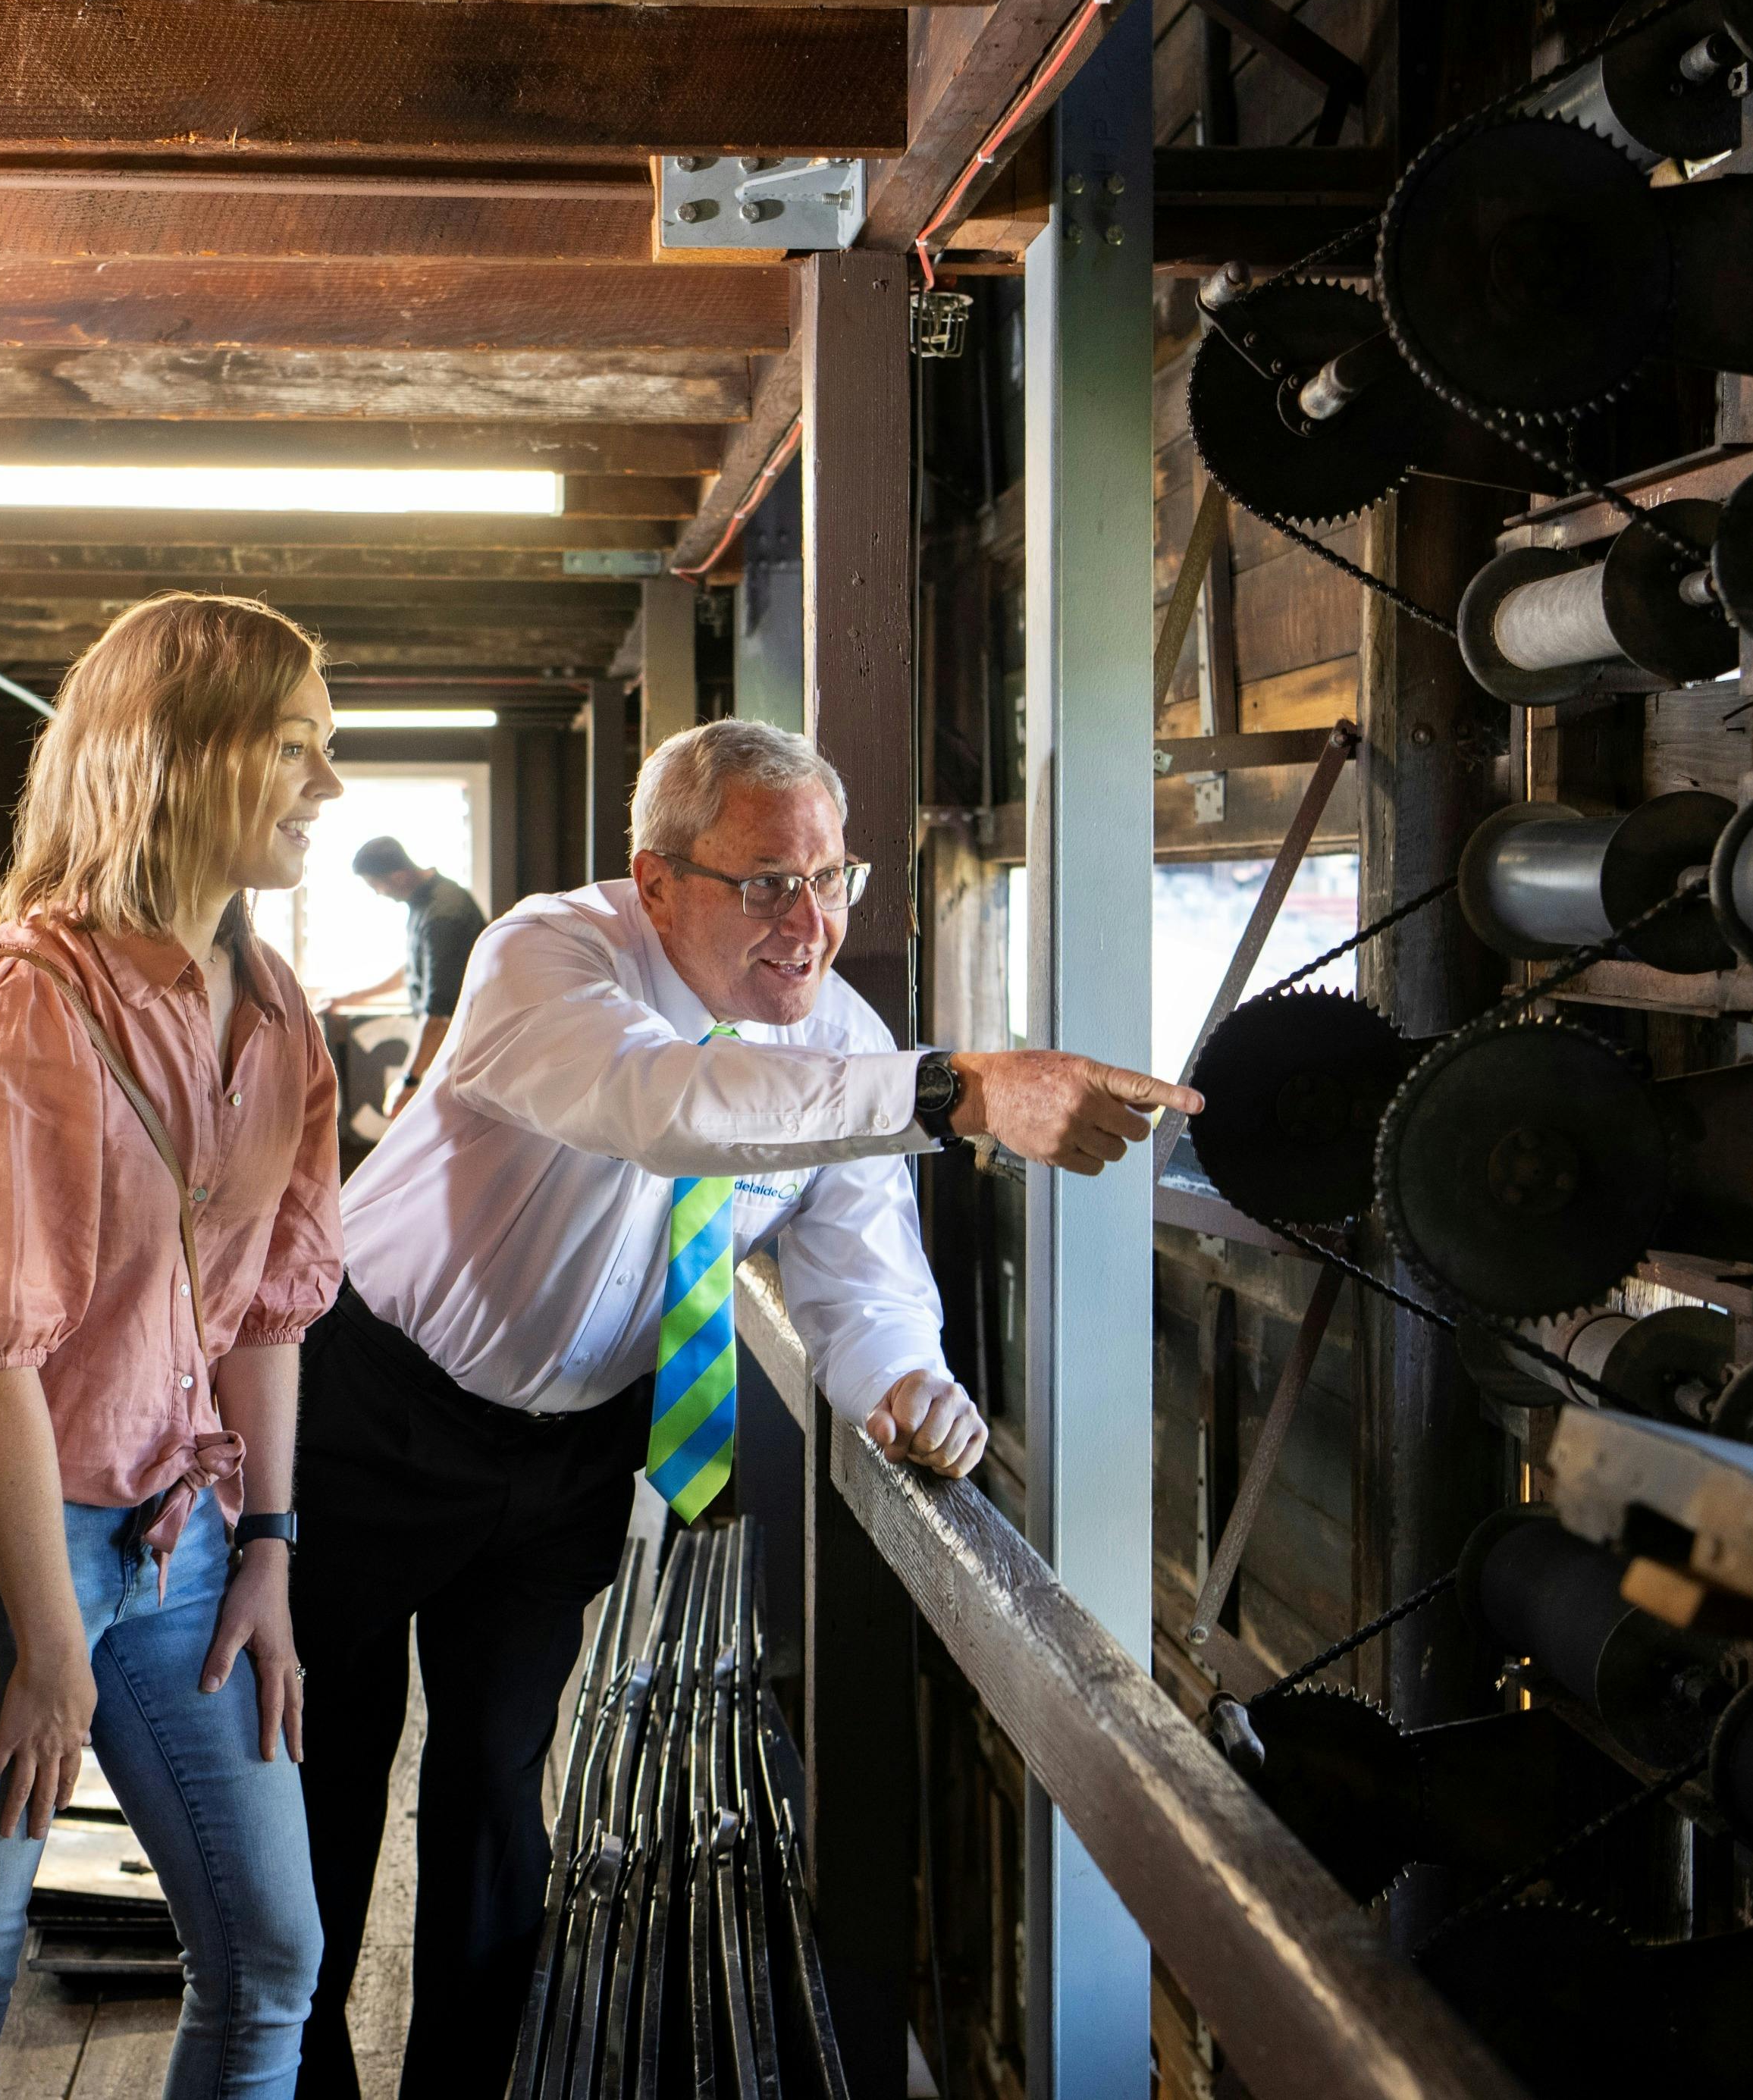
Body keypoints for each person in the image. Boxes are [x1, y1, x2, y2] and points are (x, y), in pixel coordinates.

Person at [288, 717, 1201, 2098]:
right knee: (319, 1779)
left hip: (570, 1449)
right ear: (657, 884)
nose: (811, 921)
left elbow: (859, 1274)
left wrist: (907, 1384)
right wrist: (956, 1089)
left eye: (835, 879)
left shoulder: (843, 1042)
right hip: (369, 1404)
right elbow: (668, 1104)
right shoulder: (547, 954)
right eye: (767, 881)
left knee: (492, 1793)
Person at [0, 591, 346, 2100]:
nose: (328, 784)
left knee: (272, 1953)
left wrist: (268, 1543)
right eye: (297, 747)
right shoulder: (17, 998)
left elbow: (266, 1304)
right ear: (177, 759)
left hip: (182, 1526)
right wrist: (52, 1649)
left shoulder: (277, 1013)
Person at [314, 838, 485, 1118]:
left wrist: (409, 1081)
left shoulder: (444, 914)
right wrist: (348, 999)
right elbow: (413, 971)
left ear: (400, 876)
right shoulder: (425, 904)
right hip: (449, 1049)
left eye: (376, 885)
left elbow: (440, 1014)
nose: (378, 894)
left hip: (463, 1052)